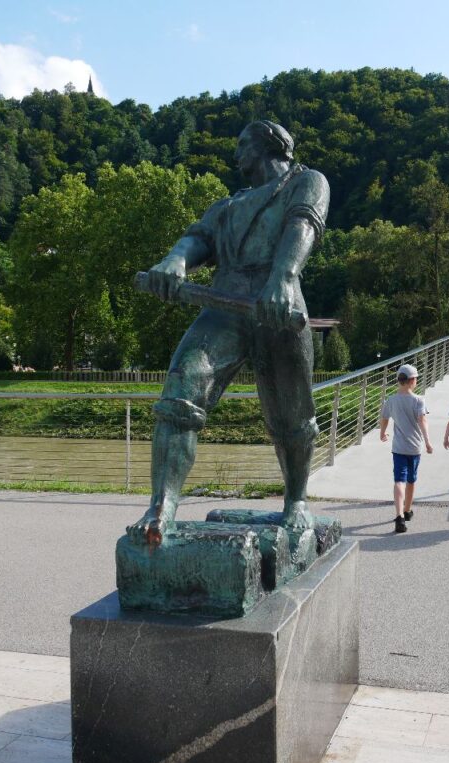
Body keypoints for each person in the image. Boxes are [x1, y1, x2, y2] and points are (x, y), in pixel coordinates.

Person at [130, 120, 329, 545]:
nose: (236, 153)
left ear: (268, 146)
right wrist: (175, 261)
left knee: (291, 414)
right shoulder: (228, 206)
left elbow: (303, 226)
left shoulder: (307, 182)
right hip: (226, 304)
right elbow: (197, 239)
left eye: (243, 144)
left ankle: (295, 500)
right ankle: (162, 506)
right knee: (182, 386)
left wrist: (283, 275)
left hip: (279, 305)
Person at [380, 363, 433, 533]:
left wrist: (383, 433)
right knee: (411, 480)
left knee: (399, 480)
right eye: (416, 378)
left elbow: (384, 418)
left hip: (398, 448)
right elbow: (423, 421)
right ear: (412, 381)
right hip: (414, 448)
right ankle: (407, 510)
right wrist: (427, 441)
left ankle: (399, 516)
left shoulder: (391, 400)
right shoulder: (418, 400)